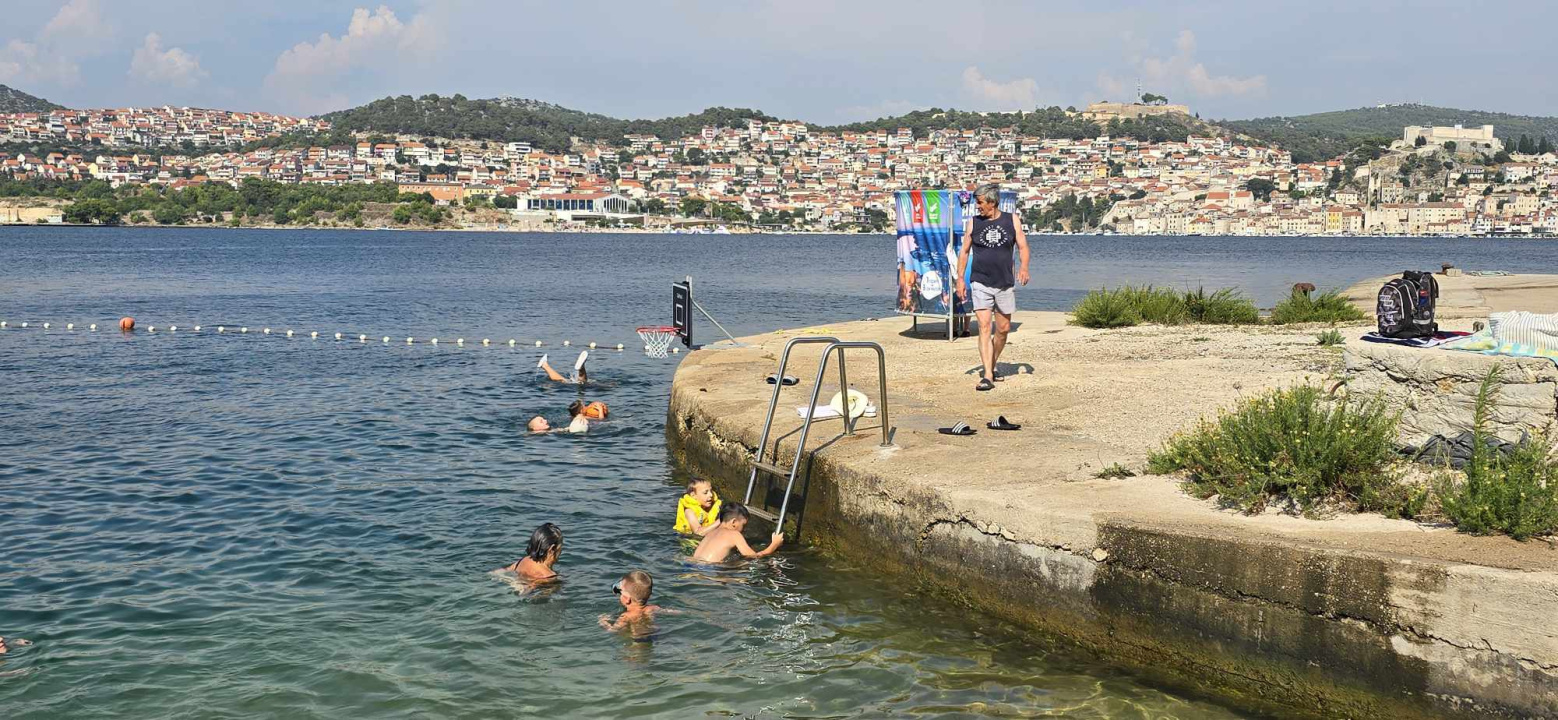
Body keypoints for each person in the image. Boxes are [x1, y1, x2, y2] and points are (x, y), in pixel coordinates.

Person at [955, 184, 1030, 391]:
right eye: (976, 203)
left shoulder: (1011, 219)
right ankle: (987, 374)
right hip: (980, 281)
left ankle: (992, 362)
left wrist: (1024, 267)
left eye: (980, 203)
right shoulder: (973, 223)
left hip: (1004, 282)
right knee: (984, 326)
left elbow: (1023, 246)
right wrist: (960, 279)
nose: (977, 207)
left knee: (1003, 329)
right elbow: (964, 252)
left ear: (992, 202)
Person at [691, 503, 783, 562]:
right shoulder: (734, 535)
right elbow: (754, 557)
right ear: (734, 522)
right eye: (744, 525)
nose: (744, 529)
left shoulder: (711, 533)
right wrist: (774, 545)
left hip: (693, 564)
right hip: (709, 571)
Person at [598, 570, 663, 632]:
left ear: (627, 599)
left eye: (621, 592)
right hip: (655, 632)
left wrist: (603, 622)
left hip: (638, 640)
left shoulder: (626, 616)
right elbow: (671, 612)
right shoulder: (653, 608)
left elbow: (613, 630)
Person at [498, 523, 563, 582]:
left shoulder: (522, 561)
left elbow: (500, 572)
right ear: (552, 549)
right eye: (561, 545)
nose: (561, 550)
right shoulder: (549, 577)